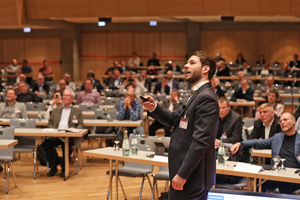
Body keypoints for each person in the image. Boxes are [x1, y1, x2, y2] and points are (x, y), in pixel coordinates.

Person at [142, 50, 219, 200]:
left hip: (192, 177)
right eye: (186, 62)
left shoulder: (206, 98)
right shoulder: (197, 95)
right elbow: (174, 119)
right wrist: (153, 107)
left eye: (192, 62)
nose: (185, 66)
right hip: (192, 176)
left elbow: (200, 141)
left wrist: (183, 174)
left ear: (205, 69)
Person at [230, 112, 300, 194]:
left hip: (294, 177)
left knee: (284, 184)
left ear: (294, 121)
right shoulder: (277, 137)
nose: (282, 123)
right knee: (258, 181)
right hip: (277, 175)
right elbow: (258, 143)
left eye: (285, 120)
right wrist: (240, 143)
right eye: (280, 121)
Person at [42, 89, 84, 177]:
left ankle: (64, 169)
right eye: (64, 95)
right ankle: (53, 166)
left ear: (72, 98)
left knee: (66, 146)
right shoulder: (56, 110)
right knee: (45, 145)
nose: (65, 97)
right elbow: (50, 123)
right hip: (57, 135)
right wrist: (54, 132)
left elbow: (80, 124)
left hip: (69, 136)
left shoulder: (77, 111)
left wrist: (74, 132)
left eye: (67, 95)